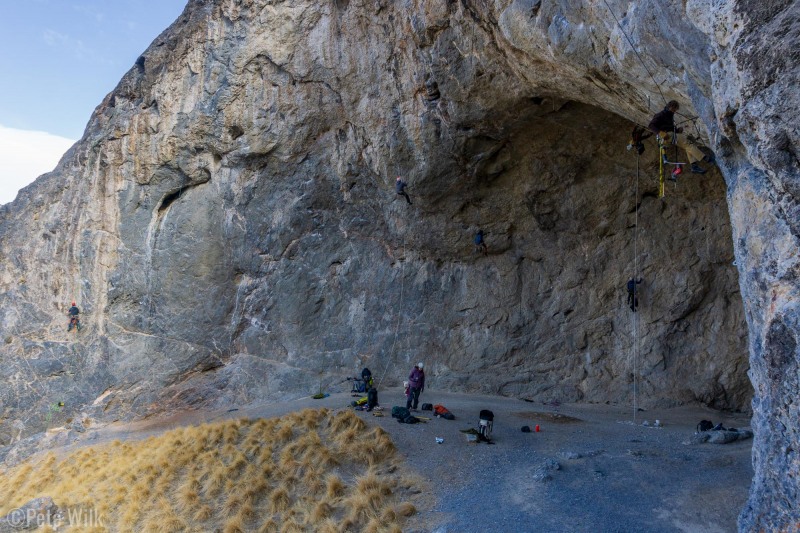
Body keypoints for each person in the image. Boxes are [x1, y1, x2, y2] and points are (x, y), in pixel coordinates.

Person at [647, 100, 713, 174]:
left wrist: (677, 130)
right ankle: (706, 159)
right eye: (674, 109)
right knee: (687, 143)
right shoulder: (661, 114)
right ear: (671, 107)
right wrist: (660, 133)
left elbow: (669, 128)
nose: (675, 111)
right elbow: (651, 125)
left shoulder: (670, 116)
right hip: (665, 136)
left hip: (670, 135)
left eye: (676, 109)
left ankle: (694, 166)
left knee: (687, 145)